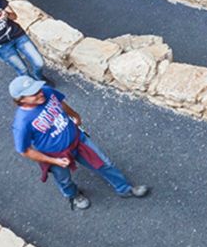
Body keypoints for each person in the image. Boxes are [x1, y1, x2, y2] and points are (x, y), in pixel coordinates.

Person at [10, 76, 149, 211]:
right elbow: (25, 150)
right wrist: (54, 161)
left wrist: (75, 115)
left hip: (78, 139)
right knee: (64, 180)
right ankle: (73, 195)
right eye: (33, 94)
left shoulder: (46, 92)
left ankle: (124, 189)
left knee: (105, 163)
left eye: (38, 89)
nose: (40, 93)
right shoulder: (22, 123)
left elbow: (60, 102)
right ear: (21, 100)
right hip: (56, 155)